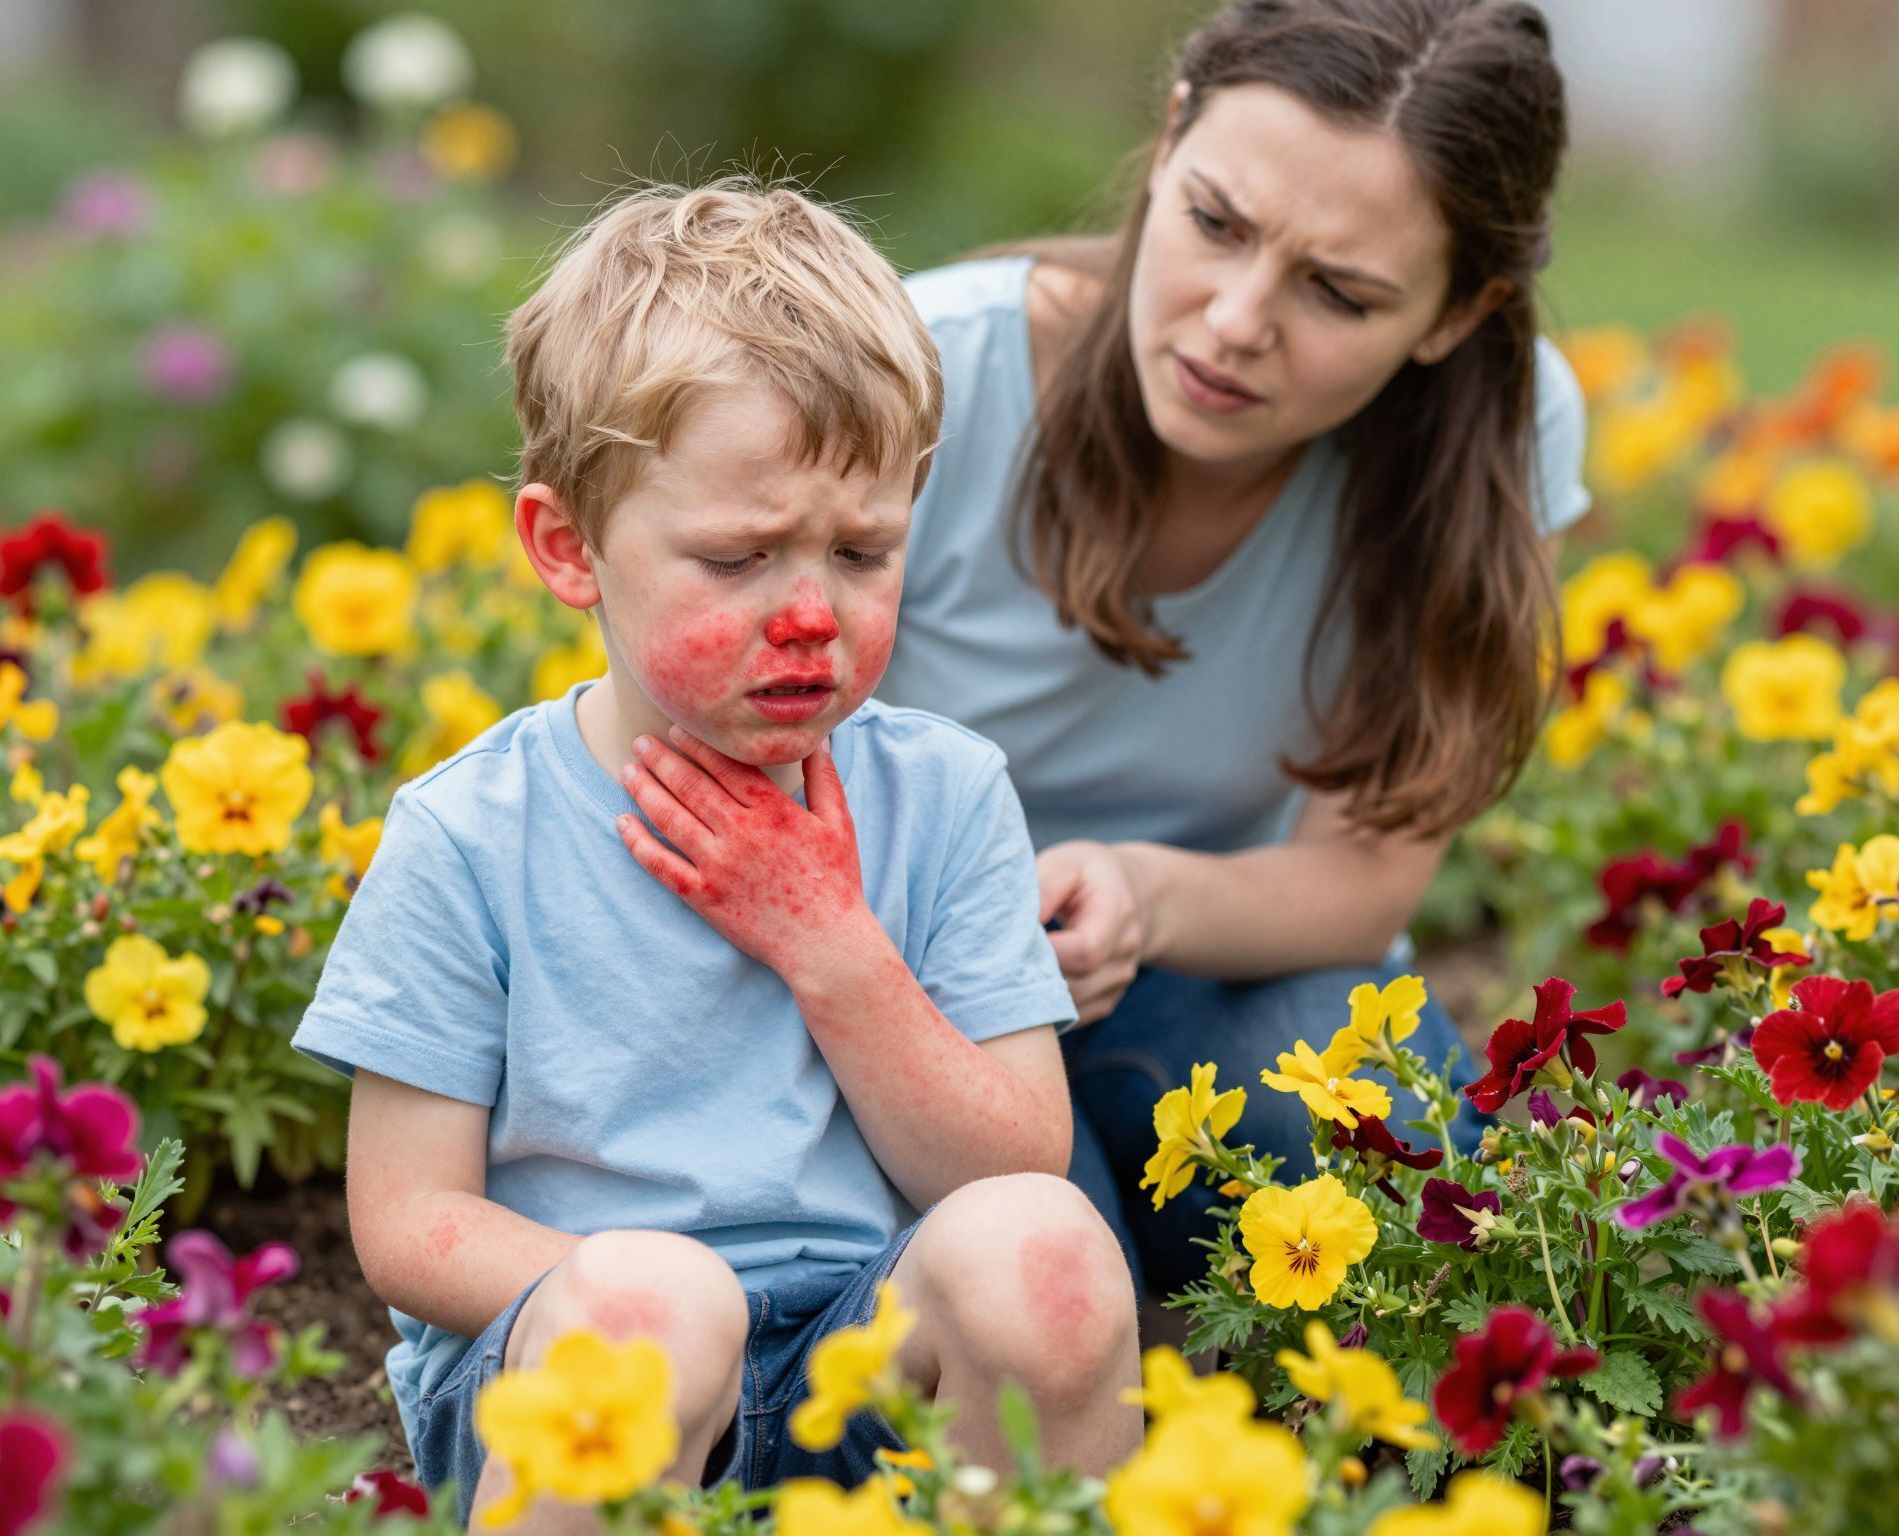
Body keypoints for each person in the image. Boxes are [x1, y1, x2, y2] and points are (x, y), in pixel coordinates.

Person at [293, 182, 1141, 1534]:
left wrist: (832, 947)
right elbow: (407, 1223)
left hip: (857, 1363)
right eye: (740, 557)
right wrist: (662, 1307)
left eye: (862, 552)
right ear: (569, 548)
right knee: (650, 1310)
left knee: (1048, 1255)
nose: (811, 612)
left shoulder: (943, 795)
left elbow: (1011, 1163)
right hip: (573, 1367)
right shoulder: (471, 831)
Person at [880, 0, 1589, 1298]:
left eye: (1339, 291)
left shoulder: (1498, 435)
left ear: (1454, 312)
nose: (1235, 320)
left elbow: (1361, 883)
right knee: (1029, 1274)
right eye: (1215, 223)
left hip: (1202, 974)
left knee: (1380, 1149)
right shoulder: (920, 375)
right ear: (1168, 142)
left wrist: (1141, 897)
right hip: (888, 980)